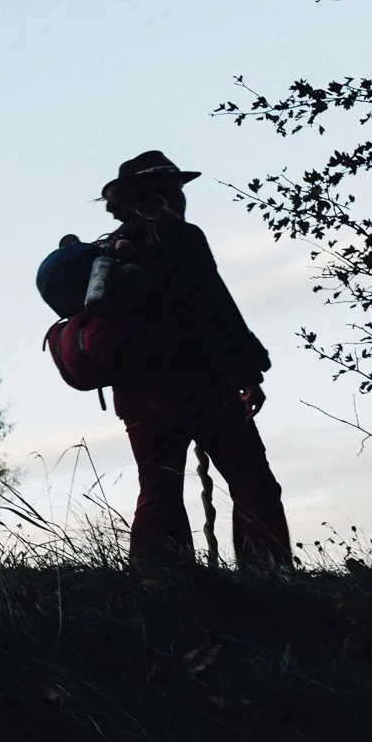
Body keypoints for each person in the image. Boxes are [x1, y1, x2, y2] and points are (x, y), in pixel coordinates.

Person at [99, 151, 291, 569]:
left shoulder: (110, 249)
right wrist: (246, 371)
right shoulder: (179, 236)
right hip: (191, 381)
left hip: (133, 387)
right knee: (252, 480)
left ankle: (158, 583)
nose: (183, 196)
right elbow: (213, 308)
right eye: (178, 187)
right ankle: (270, 579)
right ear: (162, 191)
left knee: (159, 487)